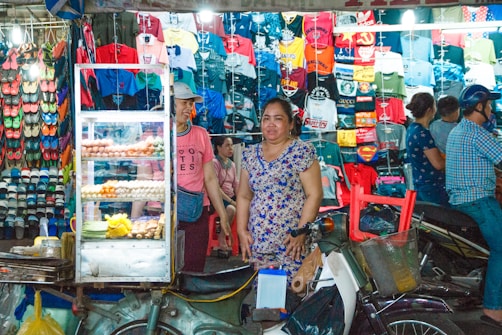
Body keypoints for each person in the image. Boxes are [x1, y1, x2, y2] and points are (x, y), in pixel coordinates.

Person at [131, 82, 229, 272]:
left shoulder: (201, 135)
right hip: (159, 212)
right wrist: (134, 220)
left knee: (192, 268)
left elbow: (210, 179)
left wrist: (223, 215)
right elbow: (143, 181)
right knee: (160, 270)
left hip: (196, 214)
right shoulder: (150, 137)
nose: (189, 107)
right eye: (184, 103)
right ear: (168, 105)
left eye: (190, 103)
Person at [236, 97, 323, 285]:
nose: (271, 124)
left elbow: (314, 195)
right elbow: (243, 196)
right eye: (266, 118)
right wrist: (241, 230)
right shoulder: (250, 154)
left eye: (278, 118)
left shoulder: (301, 151)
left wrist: (301, 232)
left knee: (292, 297)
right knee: (264, 300)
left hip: (291, 243)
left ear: (290, 123)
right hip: (259, 242)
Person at [445, 84, 502, 328]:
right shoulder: (478, 134)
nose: (492, 109)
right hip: (479, 201)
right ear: (479, 106)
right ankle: (493, 309)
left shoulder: (458, 131)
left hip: (461, 201)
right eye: (489, 104)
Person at [405, 92, 449, 207]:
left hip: (421, 184)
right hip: (432, 187)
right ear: (430, 109)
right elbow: (438, 164)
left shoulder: (412, 128)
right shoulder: (422, 133)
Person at [212, 135, 239, 250]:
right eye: (227, 145)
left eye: (231, 145)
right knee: (231, 209)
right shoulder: (214, 163)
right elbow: (215, 188)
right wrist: (232, 202)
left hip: (230, 197)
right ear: (218, 147)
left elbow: (236, 184)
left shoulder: (231, 164)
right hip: (218, 198)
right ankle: (222, 237)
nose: (230, 148)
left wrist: (241, 199)